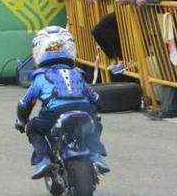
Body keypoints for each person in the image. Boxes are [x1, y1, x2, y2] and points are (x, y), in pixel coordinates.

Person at [15, 26, 109, 179]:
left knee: (33, 127)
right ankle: (96, 153)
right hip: (84, 110)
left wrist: (22, 121)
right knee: (95, 123)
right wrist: (98, 109)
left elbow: (24, 103)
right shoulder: (77, 73)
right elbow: (96, 99)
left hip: (54, 114)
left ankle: (43, 158)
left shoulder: (40, 77)